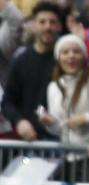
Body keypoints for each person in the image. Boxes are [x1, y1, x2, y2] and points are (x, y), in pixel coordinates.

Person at [42, 34, 89, 175]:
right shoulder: (53, 87)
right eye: (65, 52)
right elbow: (60, 128)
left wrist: (86, 118)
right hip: (68, 156)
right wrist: (49, 123)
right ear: (59, 57)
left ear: (84, 56)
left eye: (76, 51)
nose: (71, 56)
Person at [1, 1, 63, 141]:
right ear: (34, 25)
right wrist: (19, 121)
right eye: (42, 22)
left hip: (59, 139)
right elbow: (8, 102)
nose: (48, 27)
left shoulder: (65, 60)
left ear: (59, 26)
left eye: (52, 22)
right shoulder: (21, 60)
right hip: (28, 140)